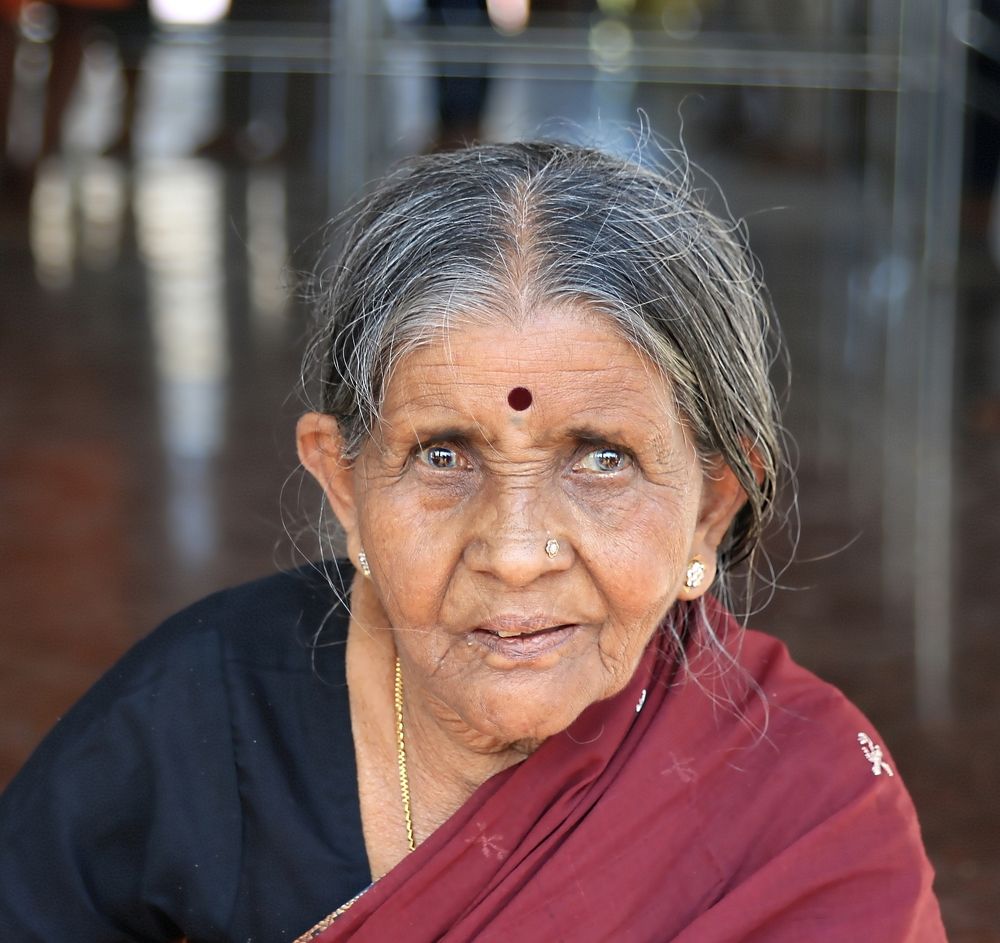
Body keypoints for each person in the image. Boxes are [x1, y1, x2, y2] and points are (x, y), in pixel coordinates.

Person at [0, 141, 947, 941]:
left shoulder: (802, 802)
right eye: (444, 453)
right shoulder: (185, 728)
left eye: (603, 458)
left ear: (711, 504)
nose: (518, 550)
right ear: (345, 484)